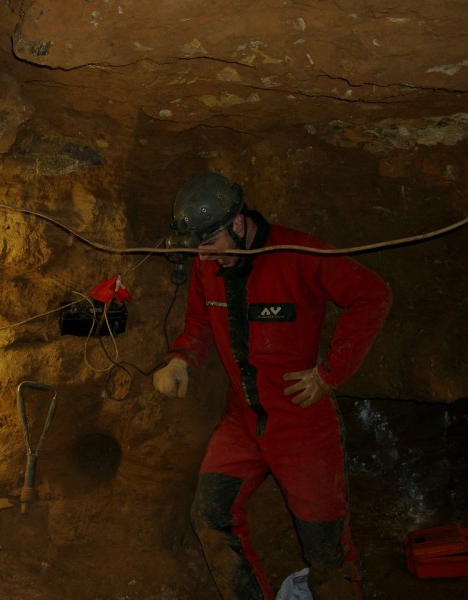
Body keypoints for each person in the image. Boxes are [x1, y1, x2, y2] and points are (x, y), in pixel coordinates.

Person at [153, 173, 392, 600]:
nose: (202, 259)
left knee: (328, 552)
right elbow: (200, 320)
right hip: (242, 419)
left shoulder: (299, 253)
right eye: (197, 249)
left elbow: (373, 295)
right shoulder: (208, 264)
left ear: (238, 224)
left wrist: (328, 373)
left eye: (209, 245)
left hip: (300, 420)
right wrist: (181, 359)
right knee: (210, 516)